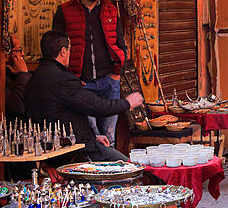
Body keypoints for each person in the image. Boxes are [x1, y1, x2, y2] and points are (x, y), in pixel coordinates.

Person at [24, 30, 144, 161]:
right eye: (70, 49)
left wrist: (93, 136)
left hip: (57, 148)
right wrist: (127, 103)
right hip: (75, 152)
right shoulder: (62, 80)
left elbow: (61, 114)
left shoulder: (34, 79)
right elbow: (97, 106)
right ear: (63, 51)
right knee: (129, 166)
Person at [52, 0, 127, 144]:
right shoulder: (65, 10)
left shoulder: (111, 11)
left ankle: (111, 171)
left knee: (110, 137)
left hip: (109, 81)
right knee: (89, 137)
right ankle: (92, 171)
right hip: (81, 82)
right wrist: (69, 78)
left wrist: (117, 72)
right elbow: (55, 48)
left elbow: (120, 44)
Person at [3, 35, 31, 119]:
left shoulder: (16, 75)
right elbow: (18, 108)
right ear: (6, 55)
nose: (22, 54)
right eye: (19, 50)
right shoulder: (2, 80)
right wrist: (22, 74)